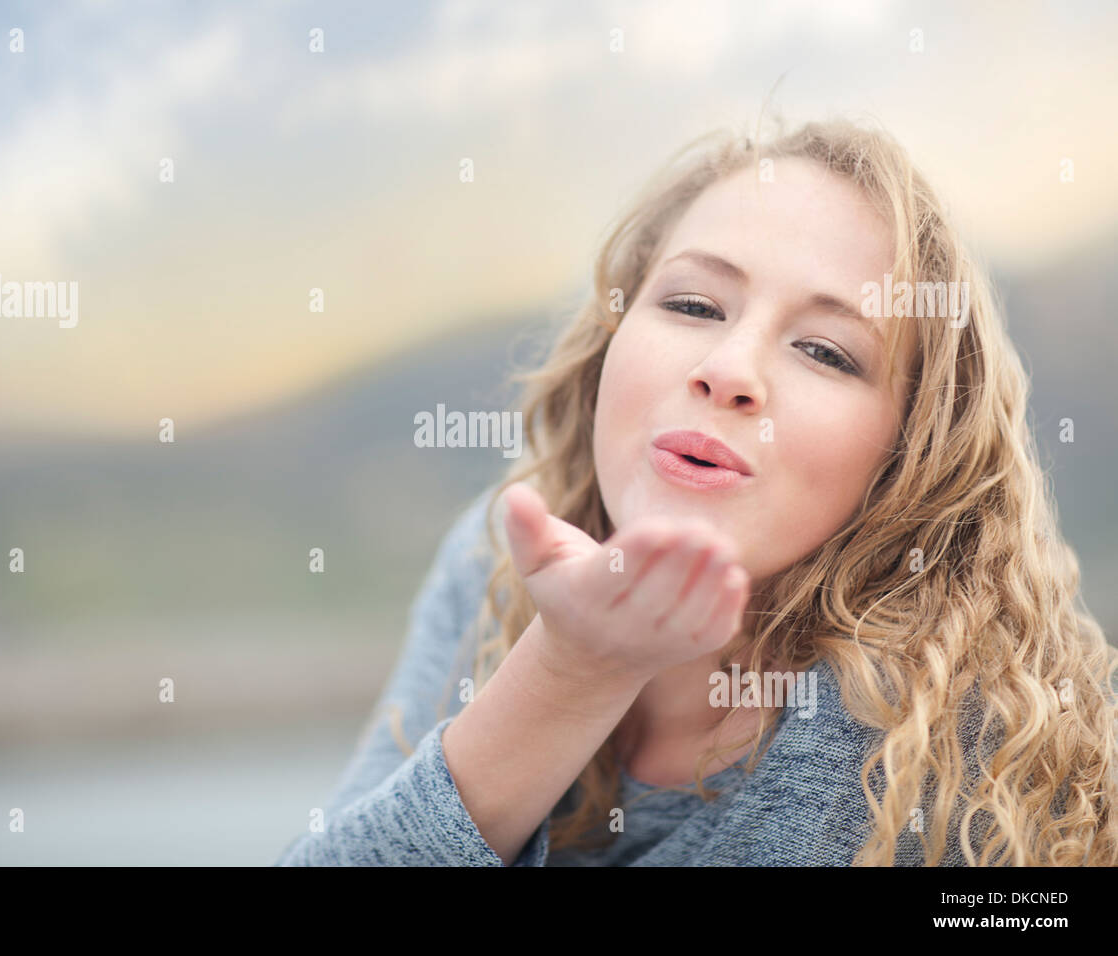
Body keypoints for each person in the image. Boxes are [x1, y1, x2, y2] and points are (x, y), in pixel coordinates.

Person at [276, 116, 1118, 867]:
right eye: (692, 303)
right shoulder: (497, 556)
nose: (727, 370)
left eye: (825, 351)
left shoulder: (933, 750)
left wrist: (582, 667)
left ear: (908, 459)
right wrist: (565, 672)